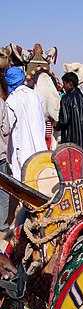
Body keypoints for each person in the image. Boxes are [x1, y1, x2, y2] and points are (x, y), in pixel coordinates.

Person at [5, 66, 47, 181]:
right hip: (39, 145)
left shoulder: (12, 99)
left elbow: (6, 126)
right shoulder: (36, 95)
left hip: (22, 147)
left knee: (23, 178)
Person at [56, 72, 83, 176]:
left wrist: (56, 125)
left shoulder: (66, 99)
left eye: (64, 84)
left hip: (71, 145)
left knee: (71, 173)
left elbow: (64, 120)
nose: (63, 87)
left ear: (70, 84)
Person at [0, 74, 10, 232]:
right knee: (3, 190)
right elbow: (6, 128)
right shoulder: (2, 103)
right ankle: (2, 224)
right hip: (0, 153)